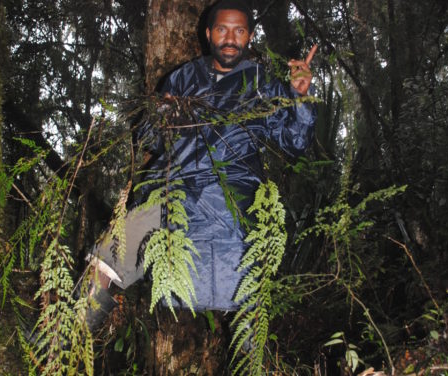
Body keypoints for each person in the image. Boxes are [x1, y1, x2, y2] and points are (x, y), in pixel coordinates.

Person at [83, 0, 317, 332]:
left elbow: (295, 143)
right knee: (105, 261)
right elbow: (150, 140)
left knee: (247, 305)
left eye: (239, 31)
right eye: (222, 29)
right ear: (208, 34)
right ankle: (58, 351)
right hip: (173, 194)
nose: (230, 38)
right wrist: (161, 115)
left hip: (236, 200)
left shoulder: (262, 83)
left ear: (249, 36)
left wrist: (300, 97)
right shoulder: (183, 78)